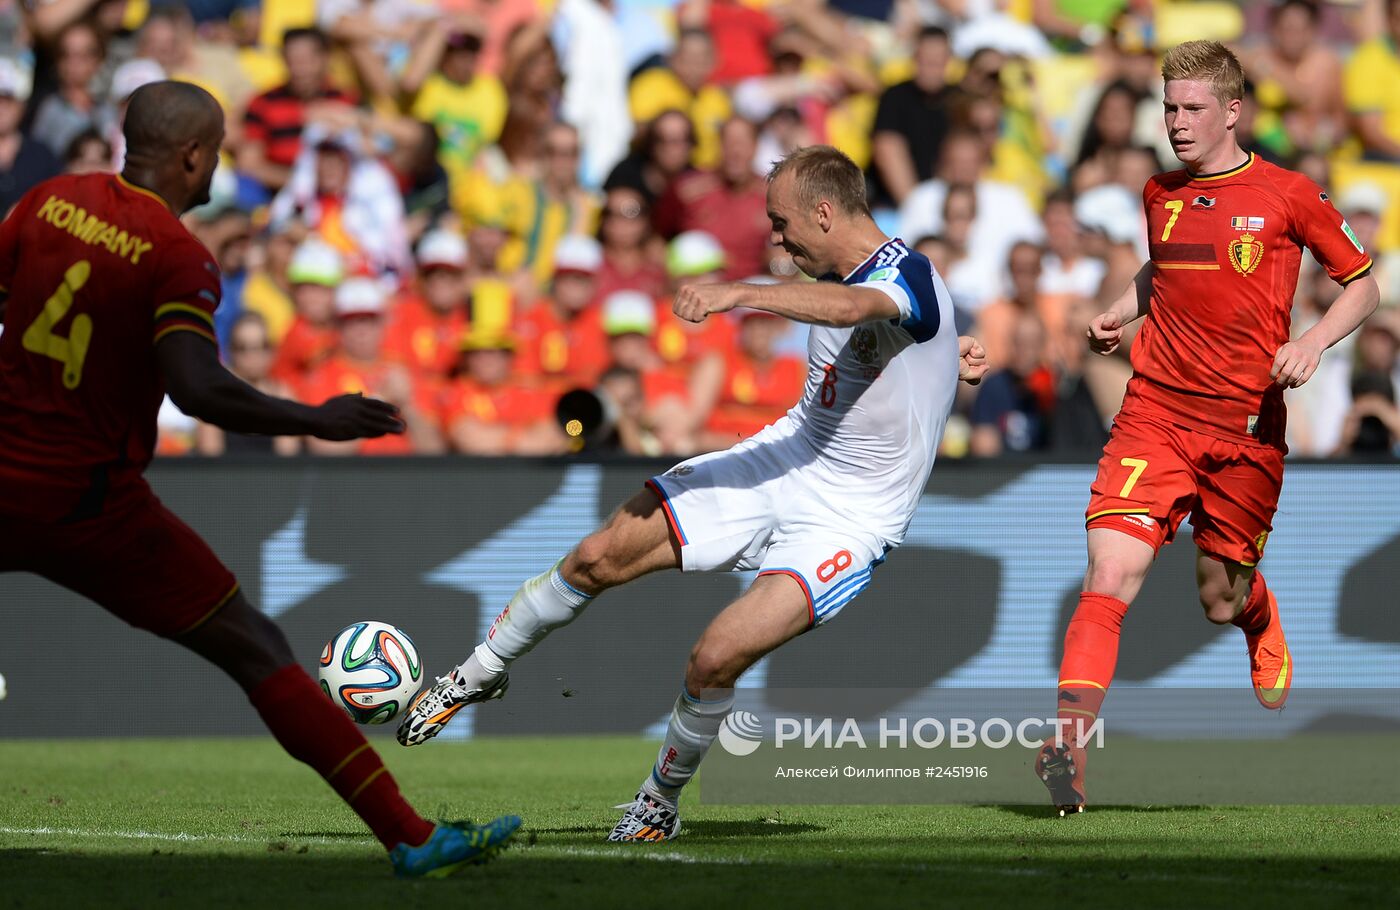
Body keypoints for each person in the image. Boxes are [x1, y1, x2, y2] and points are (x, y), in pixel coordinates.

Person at [395, 146, 989, 843]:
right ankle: (478, 673)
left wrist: (740, 293)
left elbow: (853, 308)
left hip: (850, 521)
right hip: (785, 458)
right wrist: (954, 350)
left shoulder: (900, 274)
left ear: (825, 213)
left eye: (780, 221)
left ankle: (657, 802)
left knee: (715, 657)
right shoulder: (868, 279)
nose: (774, 237)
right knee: (598, 555)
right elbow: (895, 333)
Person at [0, 82, 518, 873]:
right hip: (91, 505)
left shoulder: (46, 200)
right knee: (255, 647)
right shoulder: (176, 256)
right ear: (193, 155)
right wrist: (319, 419)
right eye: (221, 147)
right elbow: (198, 389)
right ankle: (411, 838)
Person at [1035, 42, 1380, 816]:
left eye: (1192, 109)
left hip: (1245, 427)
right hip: (1154, 413)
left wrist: (1311, 343)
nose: (1177, 123)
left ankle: (1259, 616)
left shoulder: (1290, 194)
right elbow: (1164, 267)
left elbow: (1363, 286)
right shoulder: (1159, 192)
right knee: (1109, 576)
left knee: (1218, 601)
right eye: (1169, 107)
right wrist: (1120, 313)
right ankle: (1069, 749)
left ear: (1232, 112)